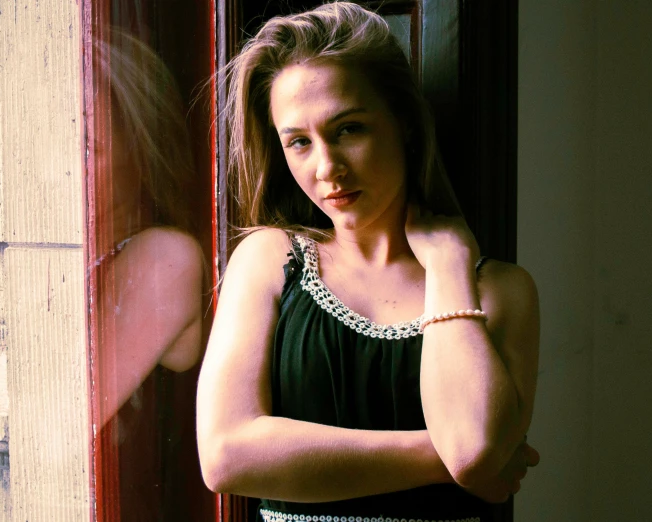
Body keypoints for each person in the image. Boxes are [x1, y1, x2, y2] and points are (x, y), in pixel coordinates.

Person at [197, 3, 540, 521]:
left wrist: (449, 264)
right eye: (299, 142)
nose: (327, 167)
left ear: (402, 122)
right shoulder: (268, 260)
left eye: (349, 129)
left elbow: (472, 451)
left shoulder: (502, 290)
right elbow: (225, 456)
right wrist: (440, 455)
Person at [92, 29, 206, 427]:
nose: (63, 165)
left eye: (90, 147)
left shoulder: (164, 256)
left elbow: (63, 420)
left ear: (140, 155)